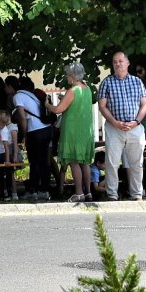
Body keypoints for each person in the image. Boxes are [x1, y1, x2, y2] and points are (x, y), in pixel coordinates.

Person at [97, 51, 146, 200]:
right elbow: (102, 106)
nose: (118, 64)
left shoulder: (137, 81)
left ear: (127, 63)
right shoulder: (106, 82)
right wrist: (115, 122)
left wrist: (136, 122)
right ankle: (112, 194)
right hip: (114, 128)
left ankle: (137, 194)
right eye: (115, 62)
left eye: (120, 61)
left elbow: (144, 104)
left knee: (136, 163)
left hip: (135, 127)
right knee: (112, 163)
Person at [54, 61, 96, 205]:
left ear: (72, 76)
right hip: (85, 131)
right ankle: (88, 192)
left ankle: (79, 193)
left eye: (67, 75)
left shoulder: (72, 90)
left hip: (73, 131)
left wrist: (47, 104)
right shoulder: (87, 89)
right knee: (85, 162)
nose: (66, 78)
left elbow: (58, 109)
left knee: (73, 161)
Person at [11, 75, 53, 199]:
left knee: (34, 162)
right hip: (47, 128)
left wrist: (24, 135)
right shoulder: (33, 95)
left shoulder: (18, 96)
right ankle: (44, 191)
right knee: (45, 161)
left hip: (34, 131)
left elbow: (22, 117)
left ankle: (32, 191)